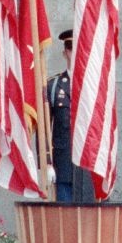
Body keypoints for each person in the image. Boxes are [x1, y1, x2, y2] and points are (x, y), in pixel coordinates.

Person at [44, 28, 91, 203]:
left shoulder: (94, 85)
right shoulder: (53, 85)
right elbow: (45, 128)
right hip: (63, 165)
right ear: (65, 52)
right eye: (71, 47)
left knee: (90, 223)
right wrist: (47, 163)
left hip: (90, 166)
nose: (75, 52)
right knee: (66, 219)